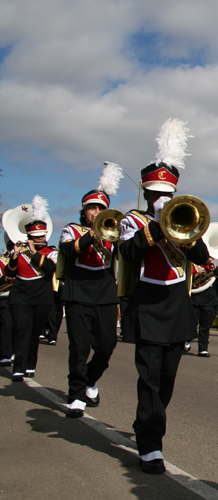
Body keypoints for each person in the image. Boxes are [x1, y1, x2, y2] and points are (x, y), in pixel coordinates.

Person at [118, 118, 211, 474]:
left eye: (166, 195)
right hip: (146, 307)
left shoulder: (183, 219)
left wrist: (185, 232)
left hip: (177, 309)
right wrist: (157, 226)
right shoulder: (134, 221)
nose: (161, 200)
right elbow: (127, 255)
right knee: (150, 377)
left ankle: (147, 425)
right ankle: (151, 444)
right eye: (155, 195)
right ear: (146, 193)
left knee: (167, 378)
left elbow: (201, 257)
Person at [58, 164, 123, 418]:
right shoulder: (71, 230)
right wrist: (92, 235)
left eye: (100, 208)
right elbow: (67, 251)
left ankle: (89, 380)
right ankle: (75, 395)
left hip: (105, 295)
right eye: (91, 208)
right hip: (78, 294)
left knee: (107, 347)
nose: (95, 212)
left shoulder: (113, 234)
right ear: (84, 211)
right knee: (79, 348)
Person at [5, 196, 57, 382]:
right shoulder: (18, 251)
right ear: (28, 237)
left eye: (41, 237)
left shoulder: (50, 252)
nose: (39, 239)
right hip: (20, 295)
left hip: (41, 296)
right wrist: (16, 255)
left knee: (34, 332)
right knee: (21, 329)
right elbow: (9, 272)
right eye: (35, 237)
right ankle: (18, 367)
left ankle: (29, 365)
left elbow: (51, 269)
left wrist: (34, 253)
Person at [188, 260, 218, 356]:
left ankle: (203, 349)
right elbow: (185, 281)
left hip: (209, 300)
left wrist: (214, 265)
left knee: (205, 327)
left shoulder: (212, 268)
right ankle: (188, 340)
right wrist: (196, 275)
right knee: (191, 323)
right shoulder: (193, 266)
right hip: (195, 299)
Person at [0, 240, 14, 366]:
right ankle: (5, 354)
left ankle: (14, 351)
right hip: (4, 296)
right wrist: (6, 279)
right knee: (6, 325)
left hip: (20, 297)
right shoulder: (1, 260)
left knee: (19, 326)